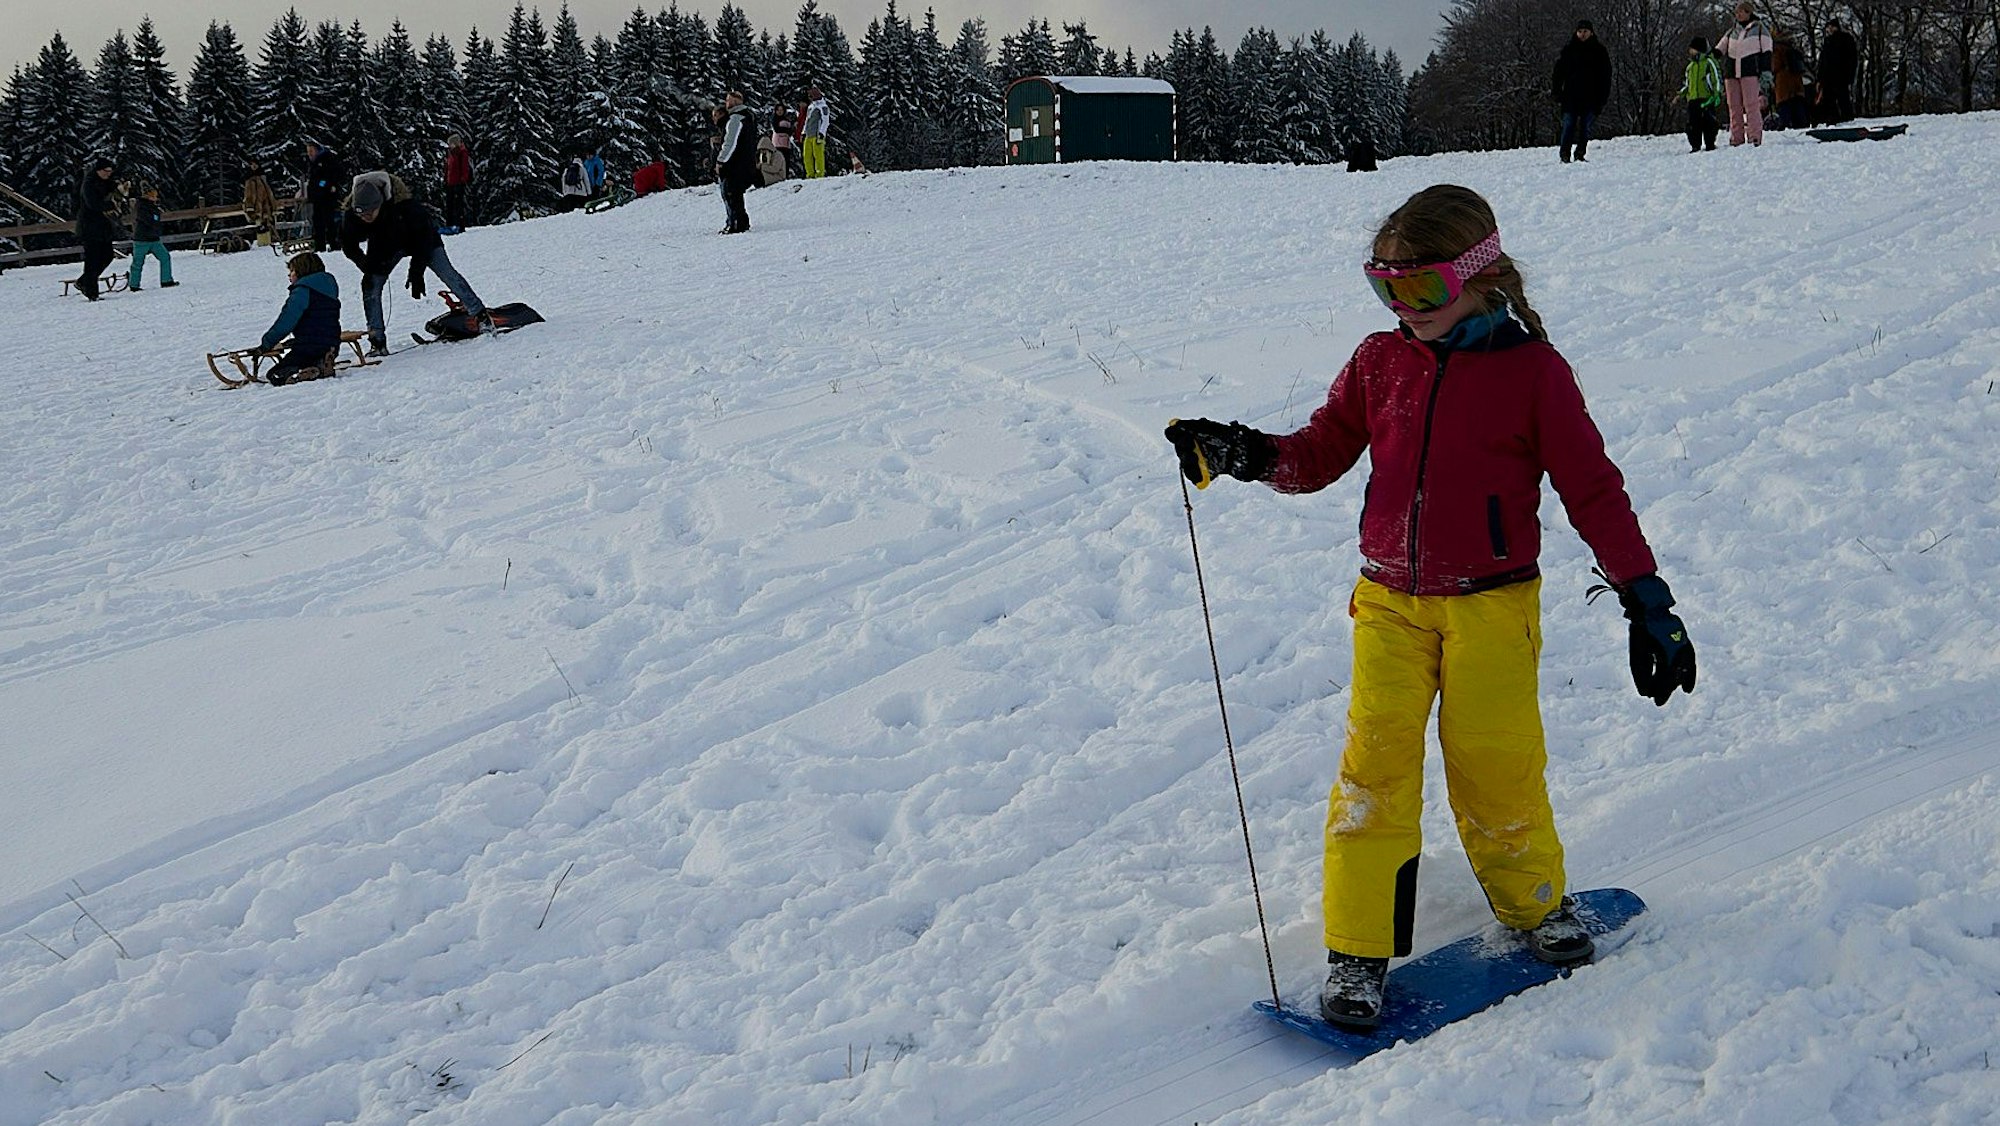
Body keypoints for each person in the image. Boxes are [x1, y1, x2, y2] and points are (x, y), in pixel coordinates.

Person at [1162, 184, 1696, 1031]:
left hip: (1492, 607)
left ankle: (1534, 905)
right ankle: (1358, 950)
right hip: (1389, 604)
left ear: (1477, 277)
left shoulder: (1534, 375)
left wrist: (1647, 597)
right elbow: (1318, 453)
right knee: (1374, 770)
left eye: (1422, 292)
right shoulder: (1380, 363)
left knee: (1496, 764)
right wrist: (1249, 453)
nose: (1404, 311)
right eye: (1387, 290)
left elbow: (1593, 489)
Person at [340, 170, 491, 354]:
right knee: (370, 285)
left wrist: (416, 272)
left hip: (421, 241)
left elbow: (424, 241)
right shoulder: (352, 216)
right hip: (385, 246)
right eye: (362, 215)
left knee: (447, 273)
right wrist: (365, 265)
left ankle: (481, 316)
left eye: (370, 213)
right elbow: (349, 245)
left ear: (381, 203)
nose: (366, 218)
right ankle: (377, 340)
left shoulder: (407, 208)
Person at [256, 251, 342, 386]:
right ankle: (321, 362)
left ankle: (303, 373)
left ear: (302, 271)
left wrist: (266, 343)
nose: (289, 275)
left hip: (309, 345)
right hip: (332, 342)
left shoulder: (303, 290)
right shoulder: (329, 286)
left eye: (292, 271)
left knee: (275, 374)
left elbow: (286, 322)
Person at [1550, 20, 1611, 163]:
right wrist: (1557, 91)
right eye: (1580, 31)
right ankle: (1565, 154)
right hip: (1571, 96)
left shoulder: (1600, 51)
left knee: (1585, 128)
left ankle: (1580, 153)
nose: (1582, 34)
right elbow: (1558, 73)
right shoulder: (1569, 50)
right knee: (1568, 125)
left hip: (1591, 97)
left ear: (1591, 32)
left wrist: (1602, 98)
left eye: (1585, 31)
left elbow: (1605, 76)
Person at [1717, 3, 1775, 147]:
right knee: (1734, 106)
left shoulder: (1760, 29)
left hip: (1750, 72)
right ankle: (1736, 138)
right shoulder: (1731, 32)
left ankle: (1754, 136)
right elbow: (1720, 49)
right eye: (1737, 12)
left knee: (1751, 105)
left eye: (1742, 12)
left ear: (1749, 13)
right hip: (1731, 73)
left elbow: (1767, 51)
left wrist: (1766, 71)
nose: (1739, 15)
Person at [73, 158, 123, 301]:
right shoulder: (88, 184)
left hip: (103, 226)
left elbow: (116, 193)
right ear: (98, 170)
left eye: (110, 171)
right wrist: (111, 206)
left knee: (107, 255)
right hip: (89, 227)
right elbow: (93, 204)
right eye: (106, 171)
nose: (109, 174)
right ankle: (91, 292)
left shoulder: (108, 182)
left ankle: (84, 282)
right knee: (92, 259)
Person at [716, 90, 757, 234]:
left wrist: (721, 160)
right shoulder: (748, 117)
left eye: (728, 100)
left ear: (734, 102)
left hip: (735, 165)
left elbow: (730, 143)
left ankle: (736, 224)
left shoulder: (735, 119)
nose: (726, 103)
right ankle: (740, 222)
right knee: (736, 194)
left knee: (731, 194)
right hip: (746, 162)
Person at [126, 183, 176, 291]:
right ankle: (134, 285)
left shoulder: (151, 206)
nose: (155, 197)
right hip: (142, 240)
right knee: (138, 263)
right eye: (153, 195)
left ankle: (166, 280)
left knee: (165, 257)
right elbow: (150, 220)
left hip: (153, 238)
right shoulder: (142, 206)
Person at [1681, 37, 1725, 152]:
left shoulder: (1709, 62)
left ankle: (1710, 143)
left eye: (1692, 49)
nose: (1690, 51)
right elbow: (1687, 83)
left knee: (1709, 123)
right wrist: (1681, 93)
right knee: (1693, 124)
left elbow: (1716, 79)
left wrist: (1717, 94)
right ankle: (1695, 145)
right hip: (1693, 99)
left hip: (1707, 99)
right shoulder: (1690, 67)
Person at [302, 141, 348, 250]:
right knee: (318, 222)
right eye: (308, 152)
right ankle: (320, 245)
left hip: (327, 195)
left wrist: (325, 184)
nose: (309, 154)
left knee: (329, 221)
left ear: (317, 150)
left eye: (311, 151)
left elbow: (332, 176)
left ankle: (333, 244)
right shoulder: (313, 163)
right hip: (317, 197)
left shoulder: (327, 160)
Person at [1814, 17, 1858, 125]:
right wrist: (1820, 78)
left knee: (1842, 98)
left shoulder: (1845, 39)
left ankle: (1844, 118)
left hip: (1839, 76)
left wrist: (1850, 75)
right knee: (1831, 100)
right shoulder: (1828, 41)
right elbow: (1823, 62)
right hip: (1830, 77)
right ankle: (1834, 119)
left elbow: (1852, 59)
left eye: (1830, 27)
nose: (1829, 29)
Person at [1771, 28, 1809, 129]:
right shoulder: (1794, 49)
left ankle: (1784, 127)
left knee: (1784, 106)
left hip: (1783, 82)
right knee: (1798, 106)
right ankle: (1801, 126)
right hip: (1797, 82)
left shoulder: (1777, 49)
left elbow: (1775, 66)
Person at [242, 160, 280, 243]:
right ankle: (264, 242)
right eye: (252, 164)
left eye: (255, 164)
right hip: (257, 208)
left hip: (266, 206)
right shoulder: (250, 180)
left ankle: (270, 240)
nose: (254, 166)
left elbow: (269, 193)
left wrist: (273, 206)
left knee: (268, 224)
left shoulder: (263, 178)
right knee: (260, 226)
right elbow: (249, 195)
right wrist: (250, 207)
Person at [442, 134, 474, 232]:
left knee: (458, 205)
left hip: (458, 183)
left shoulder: (462, 153)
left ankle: (460, 226)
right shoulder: (451, 153)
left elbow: (465, 168)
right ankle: (450, 225)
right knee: (449, 205)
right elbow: (448, 168)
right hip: (450, 182)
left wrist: (462, 180)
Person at [802, 87, 831, 179]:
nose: (810, 97)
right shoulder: (811, 107)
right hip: (809, 134)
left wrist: (822, 133)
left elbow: (825, 121)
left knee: (818, 155)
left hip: (817, 135)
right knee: (807, 155)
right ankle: (810, 173)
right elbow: (807, 120)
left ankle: (819, 173)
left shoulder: (823, 107)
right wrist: (804, 132)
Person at [772, 100, 802, 180]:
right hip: (778, 143)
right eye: (778, 110)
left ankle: (785, 176)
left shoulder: (787, 119)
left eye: (781, 110)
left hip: (786, 144)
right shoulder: (775, 119)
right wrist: (788, 130)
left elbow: (790, 131)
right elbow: (778, 129)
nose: (779, 112)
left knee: (786, 161)